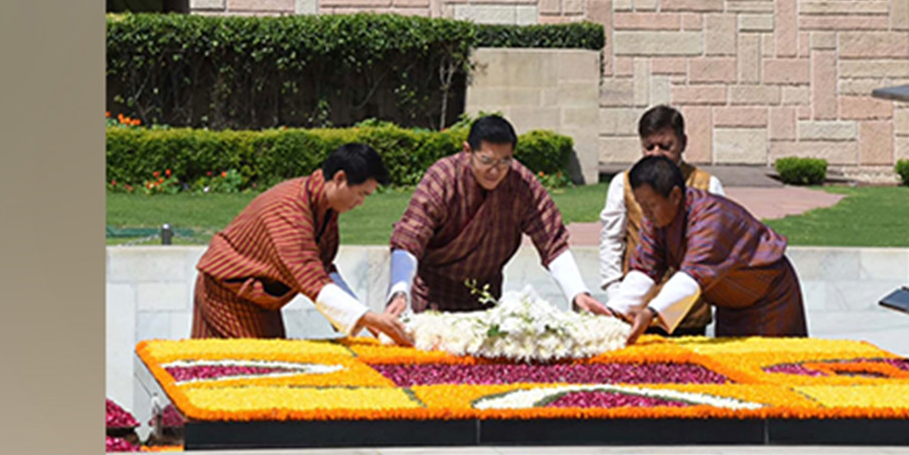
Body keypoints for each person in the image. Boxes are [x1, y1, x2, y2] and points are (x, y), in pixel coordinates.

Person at [384, 115, 612, 317]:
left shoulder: (520, 183)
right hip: (433, 294)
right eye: (486, 161)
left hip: (487, 297)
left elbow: (551, 239)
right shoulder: (442, 178)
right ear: (467, 151)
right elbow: (409, 238)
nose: (495, 171)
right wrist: (399, 291)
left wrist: (577, 293)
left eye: (504, 161)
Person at [190, 143, 413, 346]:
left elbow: (322, 267)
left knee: (270, 365)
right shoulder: (290, 211)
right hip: (227, 293)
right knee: (245, 369)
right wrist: (369, 318)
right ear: (340, 178)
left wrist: (367, 320)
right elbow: (310, 278)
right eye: (360, 194)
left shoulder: (323, 206)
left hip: (259, 298)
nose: (360, 203)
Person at [608, 156, 808, 344]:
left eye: (651, 205)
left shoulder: (711, 217)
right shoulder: (655, 222)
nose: (646, 213)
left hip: (770, 299)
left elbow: (692, 275)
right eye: (641, 205)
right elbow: (644, 269)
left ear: (676, 195)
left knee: (776, 367)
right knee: (732, 369)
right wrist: (614, 312)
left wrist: (651, 313)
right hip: (730, 305)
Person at [598, 105, 724, 337]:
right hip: (635, 308)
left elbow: (709, 258)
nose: (656, 153)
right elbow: (611, 241)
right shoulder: (623, 183)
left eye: (666, 147)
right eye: (649, 147)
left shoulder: (708, 186)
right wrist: (616, 297)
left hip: (689, 314)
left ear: (683, 143)